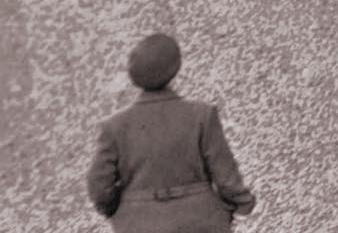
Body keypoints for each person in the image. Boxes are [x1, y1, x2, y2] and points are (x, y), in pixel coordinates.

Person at [86, 32, 256, 230]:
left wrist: (122, 209)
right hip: (200, 222)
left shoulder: (114, 127)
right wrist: (240, 204)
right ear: (175, 68)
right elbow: (226, 178)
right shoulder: (201, 115)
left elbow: (98, 186)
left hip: (139, 224)